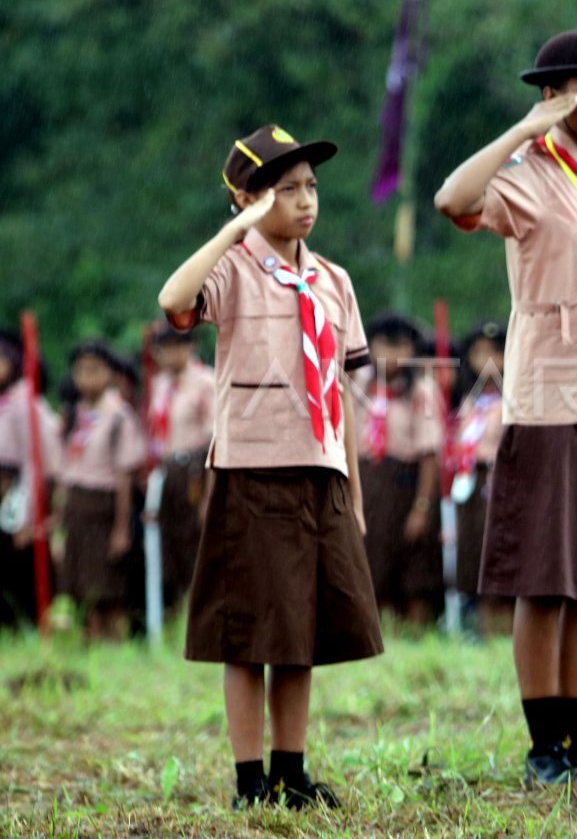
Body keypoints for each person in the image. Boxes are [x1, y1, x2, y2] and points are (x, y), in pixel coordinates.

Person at [435, 29, 577, 785]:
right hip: (548, 402)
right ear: (556, 95)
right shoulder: (527, 176)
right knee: (544, 578)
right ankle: (542, 746)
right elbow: (452, 200)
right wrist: (526, 129)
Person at [157, 124, 383, 809]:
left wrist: (354, 488)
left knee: (301, 633)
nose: (305, 201)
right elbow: (174, 300)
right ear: (249, 200)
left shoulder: (332, 279)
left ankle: (292, 773)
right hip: (253, 473)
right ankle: (249, 780)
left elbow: (344, 392)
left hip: (320, 473)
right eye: (286, 191)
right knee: (248, 634)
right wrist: (237, 230)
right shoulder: (231, 272)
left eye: (311, 187)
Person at [357, 312, 444, 627]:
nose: (392, 356)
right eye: (384, 346)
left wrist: (421, 508)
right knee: (371, 564)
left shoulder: (420, 391)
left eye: (401, 347)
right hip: (368, 482)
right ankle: (376, 637)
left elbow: (430, 453)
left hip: (405, 485)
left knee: (412, 570)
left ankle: (416, 637)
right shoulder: (360, 388)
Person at [58, 340, 146, 640]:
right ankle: (89, 644)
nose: (86, 378)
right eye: (80, 371)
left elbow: (124, 477)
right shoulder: (74, 415)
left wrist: (122, 529)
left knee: (107, 586)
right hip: (78, 506)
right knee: (82, 586)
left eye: (94, 370)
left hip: (105, 507)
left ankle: (114, 649)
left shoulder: (119, 416)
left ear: (110, 374)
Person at [146, 323, 216, 612]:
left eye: (177, 347)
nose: (170, 355)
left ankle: (202, 614)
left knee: (195, 545)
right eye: (163, 349)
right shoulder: (160, 384)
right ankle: (175, 617)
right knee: (170, 545)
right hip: (167, 471)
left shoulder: (205, 382)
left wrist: (209, 499)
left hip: (195, 470)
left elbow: (215, 441)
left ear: (191, 347)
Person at [452, 318, 512, 637]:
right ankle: (487, 632)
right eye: (477, 353)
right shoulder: (469, 401)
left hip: (502, 483)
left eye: (494, 352)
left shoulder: (515, 400)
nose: (486, 361)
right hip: (472, 484)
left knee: (503, 557)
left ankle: (509, 632)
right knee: (477, 556)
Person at [0, 330, 62, 628]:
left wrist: (27, 515)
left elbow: (34, 463)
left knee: (21, 563)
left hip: (17, 491)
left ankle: (26, 623)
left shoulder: (25, 403)